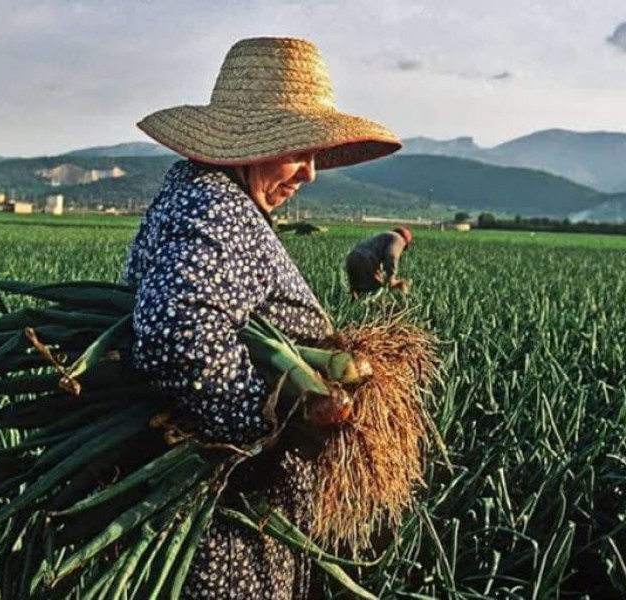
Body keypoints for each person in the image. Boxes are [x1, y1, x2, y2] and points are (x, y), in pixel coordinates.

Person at [122, 36, 401, 599]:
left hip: (234, 520)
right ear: (246, 145)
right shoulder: (213, 206)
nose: (310, 173)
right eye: (299, 150)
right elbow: (177, 333)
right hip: (225, 533)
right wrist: (273, 425)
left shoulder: (211, 197)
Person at [346, 226, 413, 298]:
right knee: (376, 290)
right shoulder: (399, 239)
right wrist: (391, 279)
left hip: (352, 258)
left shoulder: (385, 236)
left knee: (356, 292)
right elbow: (392, 256)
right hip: (365, 260)